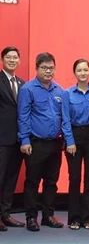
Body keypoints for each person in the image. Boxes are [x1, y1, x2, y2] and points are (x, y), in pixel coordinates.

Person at [18, 52, 69, 231]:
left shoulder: (59, 90)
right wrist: (24, 140)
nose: (48, 71)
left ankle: (48, 215)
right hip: (35, 143)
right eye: (44, 68)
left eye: (51, 68)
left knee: (51, 182)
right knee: (32, 181)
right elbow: (23, 116)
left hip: (55, 143)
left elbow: (63, 117)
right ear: (37, 68)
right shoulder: (28, 89)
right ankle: (31, 217)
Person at [61, 59, 89, 230]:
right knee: (74, 178)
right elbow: (65, 119)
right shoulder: (67, 94)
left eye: (85, 70)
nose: (82, 73)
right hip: (73, 137)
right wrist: (69, 141)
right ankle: (74, 218)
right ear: (74, 73)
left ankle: (88, 218)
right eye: (79, 70)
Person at [0, 46, 25, 231]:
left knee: (11, 178)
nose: (12, 60)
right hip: (2, 138)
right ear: (2, 60)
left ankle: (5, 214)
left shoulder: (22, 83)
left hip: (18, 138)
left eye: (15, 57)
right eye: (8, 57)